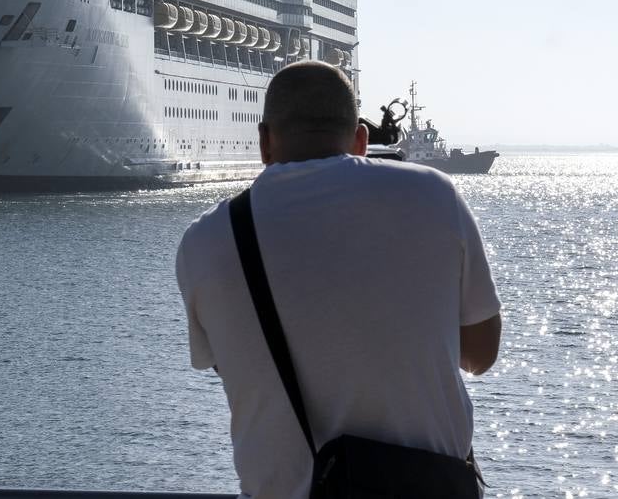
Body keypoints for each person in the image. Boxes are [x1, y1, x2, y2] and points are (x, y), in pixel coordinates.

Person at [176, 61, 501, 498]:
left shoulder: (205, 241)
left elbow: (232, 362)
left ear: (264, 141)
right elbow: (481, 353)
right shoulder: (433, 194)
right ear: (362, 140)